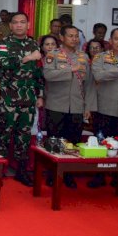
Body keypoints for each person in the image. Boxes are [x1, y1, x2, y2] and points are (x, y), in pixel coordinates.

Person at [0, 12, 43, 187]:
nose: (19, 25)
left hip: (28, 98)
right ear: (11, 26)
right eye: (15, 22)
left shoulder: (33, 43)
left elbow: (38, 72)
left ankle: (21, 171)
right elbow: (5, 65)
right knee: (3, 135)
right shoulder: (3, 44)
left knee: (23, 136)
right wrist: (28, 57)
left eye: (23, 22)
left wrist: (40, 94)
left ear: (28, 25)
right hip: (8, 98)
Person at [42, 25, 93, 189]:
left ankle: (69, 175)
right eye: (70, 36)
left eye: (76, 36)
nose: (74, 39)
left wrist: (88, 106)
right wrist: (70, 70)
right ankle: (52, 175)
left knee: (73, 143)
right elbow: (48, 75)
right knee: (54, 142)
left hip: (77, 106)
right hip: (56, 105)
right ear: (62, 38)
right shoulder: (53, 55)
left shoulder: (84, 57)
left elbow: (89, 84)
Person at [88, 28, 118, 191]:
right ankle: (99, 176)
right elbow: (98, 76)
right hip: (104, 108)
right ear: (111, 40)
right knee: (101, 145)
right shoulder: (100, 58)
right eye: (117, 39)